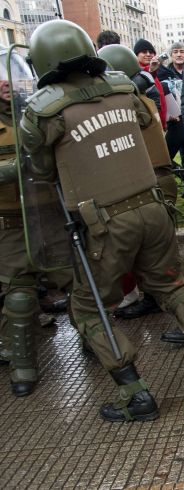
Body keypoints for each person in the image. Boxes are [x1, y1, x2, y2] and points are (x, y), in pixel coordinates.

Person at [20, 20, 184, 421]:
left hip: (107, 222)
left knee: (89, 310)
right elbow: (145, 124)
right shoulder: (124, 88)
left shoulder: (45, 110)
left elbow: (39, 165)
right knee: (171, 285)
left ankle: (135, 393)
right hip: (153, 208)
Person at [96, 44, 184, 343]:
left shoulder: (125, 105)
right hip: (152, 182)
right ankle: (155, 300)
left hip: (151, 183)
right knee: (151, 254)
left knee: (168, 256)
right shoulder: (137, 100)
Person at [0, 48, 43, 396]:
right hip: (11, 220)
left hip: (47, 215)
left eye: (7, 72)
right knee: (19, 297)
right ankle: (22, 364)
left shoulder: (31, 111)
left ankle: (97, 343)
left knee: (82, 287)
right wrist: (17, 168)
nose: (4, 80)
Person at [157, 42, 184, 165]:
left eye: (182, 52)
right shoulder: (163, 73)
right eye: (175, 52)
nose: (179, 55)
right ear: (171, 55)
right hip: (173, 121)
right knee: (165, 157)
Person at [133, 39, 167, 130]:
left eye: (151, 52)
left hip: (161, 123)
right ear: (136, 55)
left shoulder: (154, 70)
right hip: (150, 125)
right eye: (144, 52)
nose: (148, 54)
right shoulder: (135, 73)